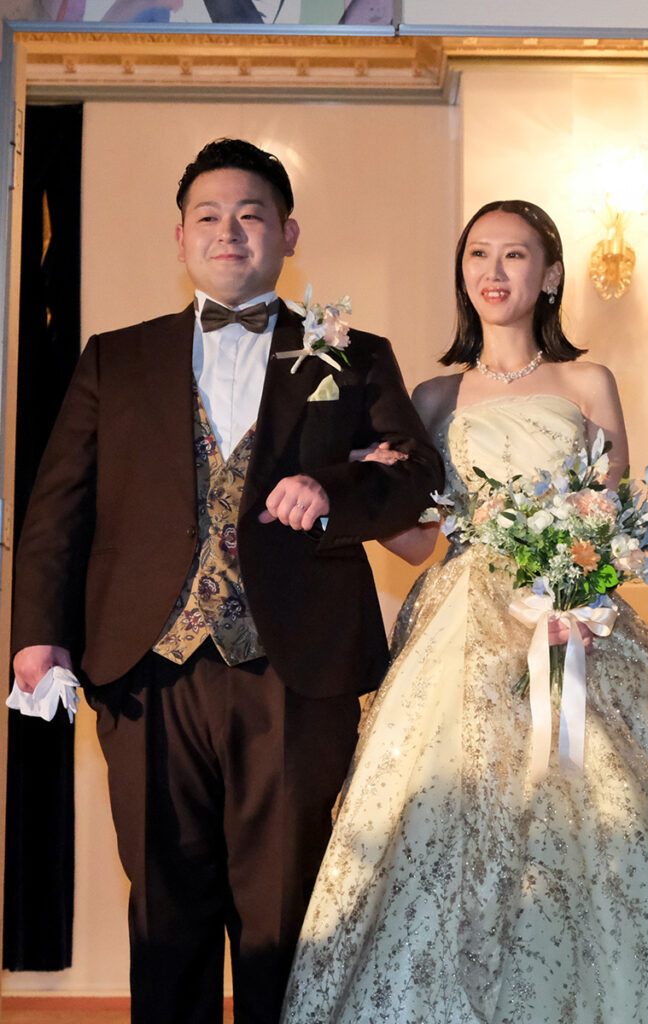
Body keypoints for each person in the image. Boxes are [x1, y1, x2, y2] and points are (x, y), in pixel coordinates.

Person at [10, 138, 443, 1024]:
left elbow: (416, 480)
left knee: (283, 912)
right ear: (180, 238)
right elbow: (59, 506)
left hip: (297, 667)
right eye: (208, 215)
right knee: (164, 911)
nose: (229, 231)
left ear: (288, 233)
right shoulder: (114, 358)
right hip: (145, 665)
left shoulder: (351, 354)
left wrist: (333, 491)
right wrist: (37, 633)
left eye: (251, 214)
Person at [280, 200, 648, 1023]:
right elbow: (419, 543)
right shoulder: (433, 395)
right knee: (444, 813)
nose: (493, 272)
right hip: (456, 625)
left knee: (594, 809)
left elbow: (604, 518)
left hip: (565, 618)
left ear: (551, 274)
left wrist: (572, 580)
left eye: (514, 255)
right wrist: (358, 487)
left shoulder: (587, 381)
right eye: (477, 255)